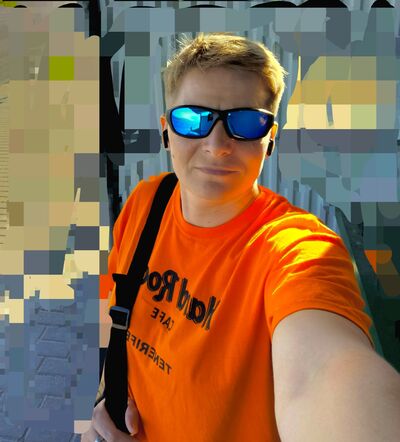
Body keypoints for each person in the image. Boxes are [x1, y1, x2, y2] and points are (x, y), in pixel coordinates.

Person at [83, 33, 400, 442]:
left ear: (270, 140)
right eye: (192, 120)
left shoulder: (294, 249)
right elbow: (117, 316)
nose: (217, 146)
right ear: (166, 131)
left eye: (246, 123)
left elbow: (321, 373)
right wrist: (107, 395)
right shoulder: (146, 203)